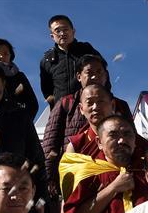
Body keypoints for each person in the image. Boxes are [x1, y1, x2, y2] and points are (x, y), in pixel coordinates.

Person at [43, 56, 131, 198]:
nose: (95, 76)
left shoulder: (120, 105)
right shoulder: (66, 103)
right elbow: (50, 142)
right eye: (89, 73)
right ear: (79, 76)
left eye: (99, 72)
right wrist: (49, 177)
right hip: (78, 171)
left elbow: (131, 138)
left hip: (114, 170)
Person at [0, 63, 45, 187]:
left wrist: (39, 201)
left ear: (4, 86)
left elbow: (36, 160)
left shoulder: (19, 117)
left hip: (12, 195)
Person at [39, 15, 102, 108]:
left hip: (88, 106)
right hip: (61, 111)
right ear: (52, 36)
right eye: (57, 31)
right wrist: (57, 104)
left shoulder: (86, 50)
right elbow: (46, 90)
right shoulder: (47, 60)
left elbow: (103, 74)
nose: (62, 33)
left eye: (65, 29)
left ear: (73, 31)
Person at [0, 38, 39, 119]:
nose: (1, 56)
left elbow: (32, 104)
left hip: (16, 124)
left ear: (10, 57)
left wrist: (23, 122)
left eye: (6, 53)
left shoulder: (19, 76)